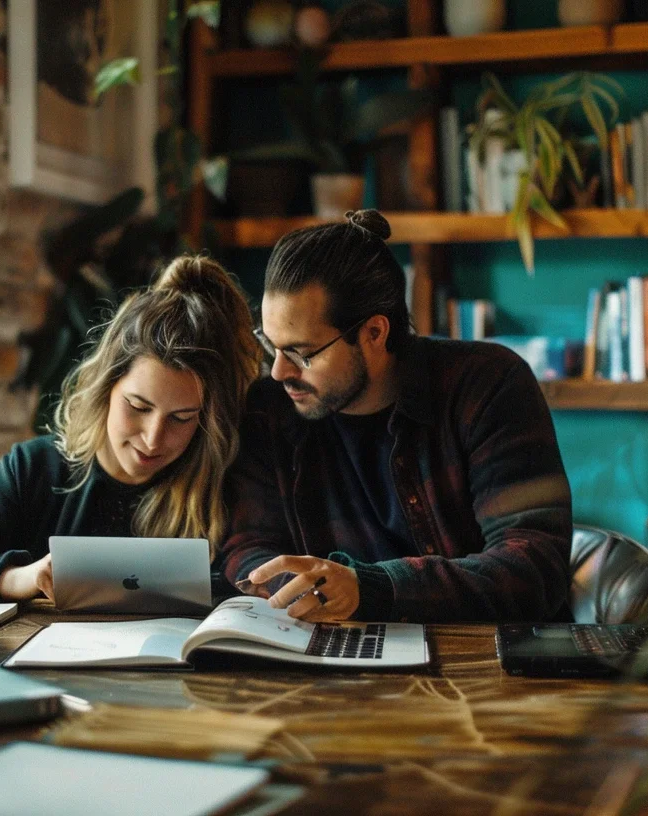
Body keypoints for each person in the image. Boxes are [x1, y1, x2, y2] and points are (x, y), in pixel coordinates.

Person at [221, 209, 573, 624]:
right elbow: (247, 545)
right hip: (329, 662)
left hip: (483, 664)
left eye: (302, 353)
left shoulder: (487, 385)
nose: (280, 371)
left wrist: (370, 588)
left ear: (374, 333)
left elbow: (534, 565)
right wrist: (308, 591)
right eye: (271, 345)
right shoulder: (270, 409)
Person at [0, 256, 262, 602]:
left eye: (181, 418)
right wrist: (18, 577)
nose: (153, 438)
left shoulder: (222, 483)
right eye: (138, 407)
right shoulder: (36, 467)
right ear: (106, 387)